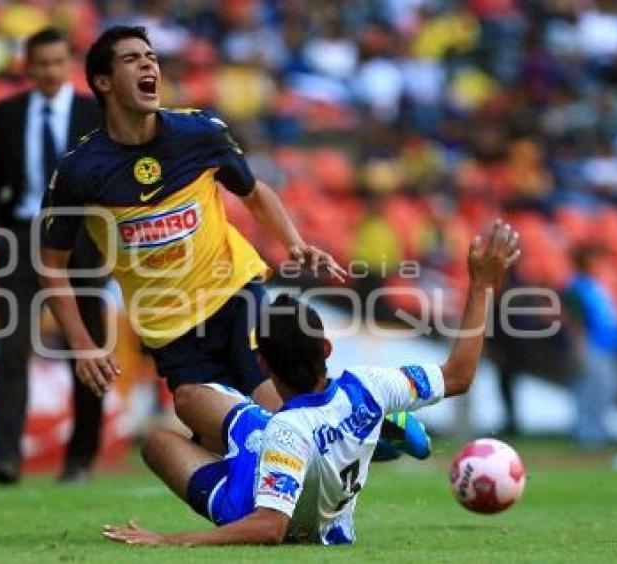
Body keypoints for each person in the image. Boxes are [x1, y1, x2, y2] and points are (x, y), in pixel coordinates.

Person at [39, 25, 425, 457]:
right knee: (213, 430)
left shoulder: (196, 134)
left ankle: (357, 430)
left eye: (152, 57)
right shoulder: (79, 170)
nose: (149, 64)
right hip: (169, 329)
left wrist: (294, 243)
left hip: (232, 291)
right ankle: (361, 421)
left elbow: (254, 192)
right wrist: (82, 343)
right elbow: (51, 262)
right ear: (103, 82)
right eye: (133, 59)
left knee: (271, 400)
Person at [102, 219, 520, 546]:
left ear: (263, 364)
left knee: (158, 443)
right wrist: (482, 285)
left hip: (257, 500)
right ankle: (366, 437)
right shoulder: (370, 384)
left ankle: (332, 448)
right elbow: (458, 375)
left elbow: (268, 528)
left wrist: (169, 541)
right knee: (190, 397)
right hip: (303, 439)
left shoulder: (287, 431)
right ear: (326, 349)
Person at [0, 27, 107, 484]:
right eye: (41, 63)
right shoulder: (6, 114)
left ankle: (80, 460)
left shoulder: (97, 113)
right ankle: (7, 459)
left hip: (83, 242)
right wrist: (0, 237)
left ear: (68, 64)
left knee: (88, 351)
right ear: (27, 66)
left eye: (57, 62)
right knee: (12, 350)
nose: (50, 71)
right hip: (22, 239)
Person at [565, 245, 617, 448]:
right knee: (590, 391)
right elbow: (574, 321)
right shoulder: (577, 287)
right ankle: (588, 435)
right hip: (590, 345)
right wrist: (578, 348)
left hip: (607, 346)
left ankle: (600, 432)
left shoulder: (596, 285)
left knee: (607, 390)